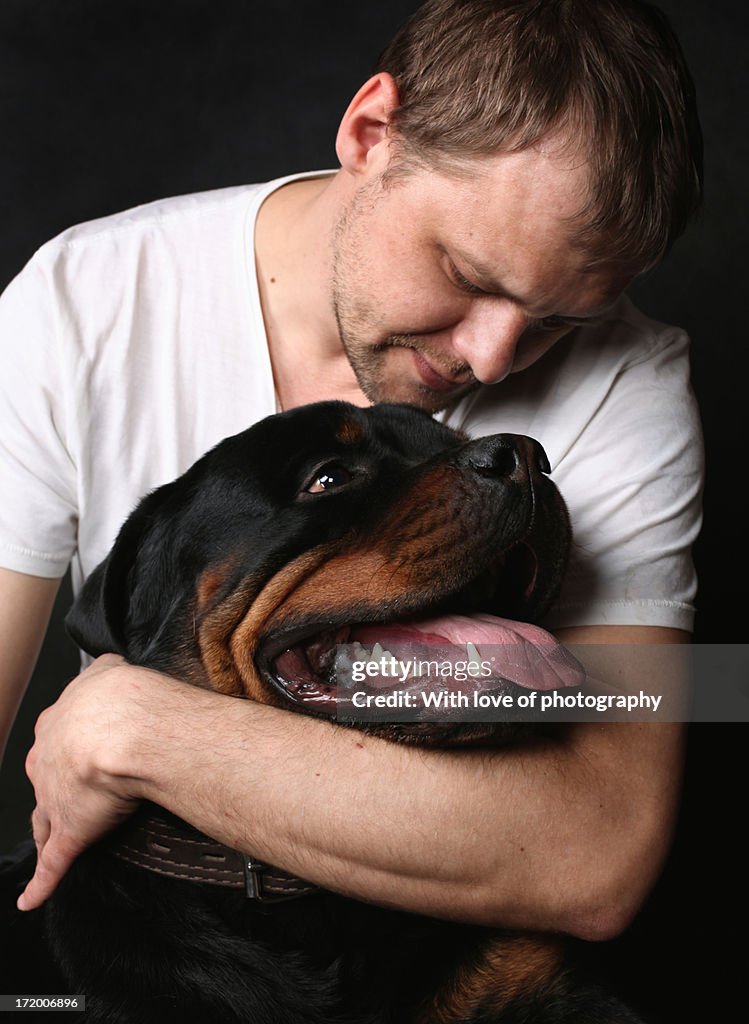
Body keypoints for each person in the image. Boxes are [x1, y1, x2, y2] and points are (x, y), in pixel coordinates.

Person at [0, 0, 702, 939]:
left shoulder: (632, 380)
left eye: (556, 323)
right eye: (466, 273)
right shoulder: (85, 302)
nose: (492, 361)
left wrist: (135, 726)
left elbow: (597, 854)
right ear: (372, 132)